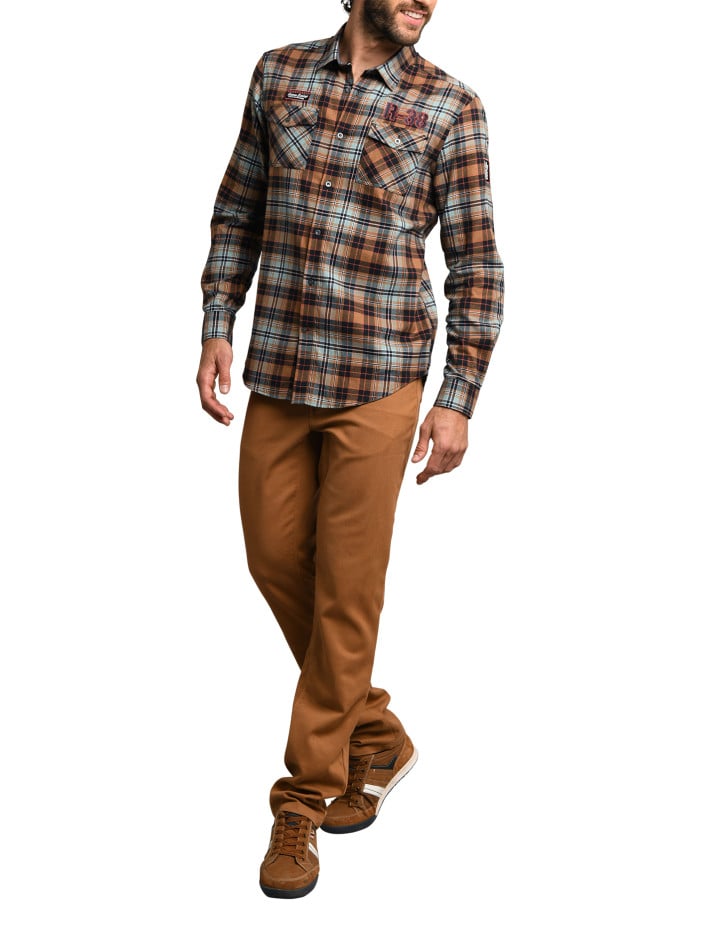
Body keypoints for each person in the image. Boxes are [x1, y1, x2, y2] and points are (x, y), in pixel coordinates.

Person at [196, 0, 504, 899]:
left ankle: (301, 797)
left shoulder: (450, 105)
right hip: (281, 364)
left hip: (381, 376)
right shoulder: (279, 72)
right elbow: (238, 207)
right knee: (272, 557)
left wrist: (456, 397)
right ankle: (374, 730)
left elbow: (477, 264)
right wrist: (217, 320)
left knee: (346, 591)